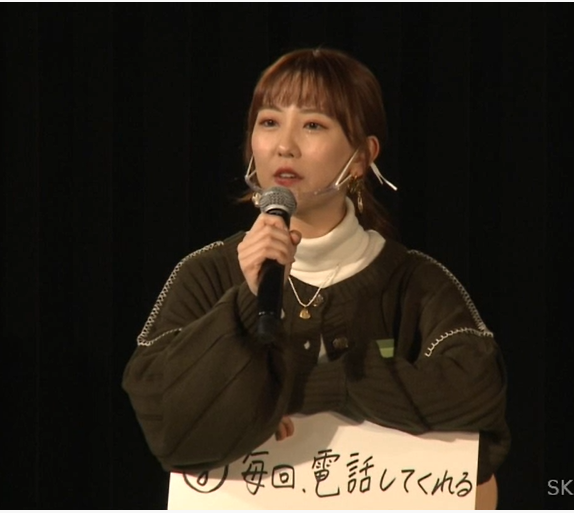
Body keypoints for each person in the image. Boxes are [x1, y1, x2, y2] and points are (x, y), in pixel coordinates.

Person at [122, 47, 510, 508]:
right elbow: (165, 417)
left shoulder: (416, 281)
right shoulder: (205, 272)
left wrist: (309, 388)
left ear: (362, 156)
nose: (284, 145)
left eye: (313, 125)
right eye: (269, 122)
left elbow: (477, 391)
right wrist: (247, 298)